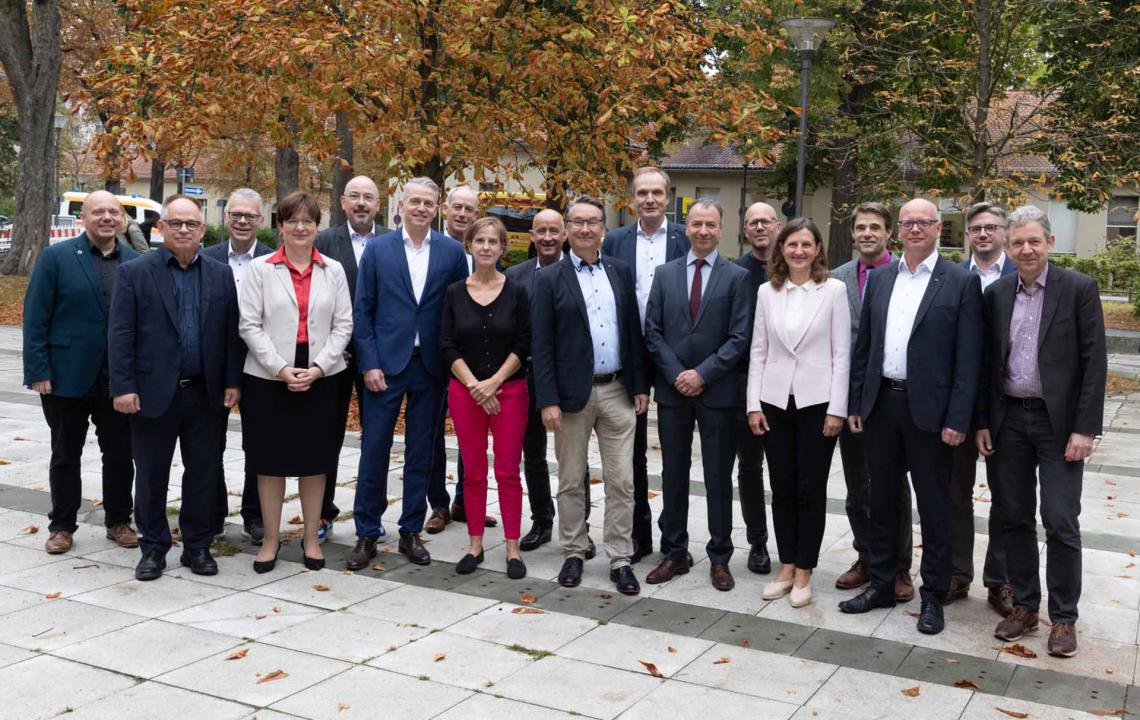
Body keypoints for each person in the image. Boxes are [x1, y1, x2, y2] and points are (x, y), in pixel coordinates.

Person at [839, 198, 981, 636]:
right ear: (897, 230)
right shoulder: (881, 279)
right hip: (882, 406)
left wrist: (958, 418)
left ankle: (933, 594)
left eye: (924, 222)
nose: (915, 229)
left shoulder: (960, 281)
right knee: (881, 501)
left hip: (932, 414)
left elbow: (968, 358)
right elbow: (865, 347)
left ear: (939, 228)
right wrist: (857, 403)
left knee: (934, 506)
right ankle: (883, 582)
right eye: (908, 223)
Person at [977, 205, 1106, 658]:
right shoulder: (997, 294)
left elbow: (1094, 362)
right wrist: (983, 421)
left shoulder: (1078, 289)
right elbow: (986, 365)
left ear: (1050, 242)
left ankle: (1064, 618)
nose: (1026, 249)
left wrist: (1085, 429)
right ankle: (1026, 606)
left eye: (1034, 240)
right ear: (1007, 246)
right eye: (1018, 242)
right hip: (1009, 421)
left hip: (1059, 426)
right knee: (1013, 517)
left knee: (1060, 519)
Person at [108, 194, 243, 581]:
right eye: (176, 223)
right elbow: (120, 334)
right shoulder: (135, 273)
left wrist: (232, 381)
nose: (184, 230)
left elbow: (230, 333)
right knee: (152, 474)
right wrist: (123, 387)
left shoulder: (220, 274)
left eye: (192, 224)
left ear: (202, 230)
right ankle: (153, 547)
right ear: (160, 227)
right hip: (152, 393)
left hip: (205, 394)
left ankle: (198, 546)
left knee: (203, 472)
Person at [532, 196, 650, 595]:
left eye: (593, 222)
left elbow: (632, 333)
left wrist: (639, 385)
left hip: (618, 391)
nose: (585, 229)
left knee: (622, 481)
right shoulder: (550, 278)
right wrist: (547, 399)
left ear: (603, 228)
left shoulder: (620, 271)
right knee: (570, 480)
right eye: (577, 222)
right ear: (567, 229)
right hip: (570, 397)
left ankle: (620, 558)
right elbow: (541, 345)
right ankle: (574, 551)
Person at [349, 177, 468, 569]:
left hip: (430, 367)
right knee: (374, 450)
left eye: (428, 203)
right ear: (401, 205)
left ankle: (410, 531)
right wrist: (369, 363)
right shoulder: (378, 249)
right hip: (384, 367)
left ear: (437, 209)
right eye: (415, 201)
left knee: (421, 452)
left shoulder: (451, 252)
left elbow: (456, 311)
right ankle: (367, 532)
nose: (421, 208)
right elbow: (362, 310)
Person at [238, 191, 353, 573]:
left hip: (322, 378)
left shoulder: (333, 270)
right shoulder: (260, 269)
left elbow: (344, 325)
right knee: (269, 463)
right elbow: (248, 325)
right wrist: (280, 369)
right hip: (269, 379)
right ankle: (271, 540)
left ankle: (310, 539)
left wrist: (319, 367)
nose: (300, 227)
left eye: (308, 221)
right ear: (280, 226)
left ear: (317, 227)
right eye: (293, 221)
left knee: (314, 462)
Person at [23, 190, 140, 555]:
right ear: (83, 218)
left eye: (113, 212)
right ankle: (61, 526)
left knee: (120, 454)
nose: (107, 218)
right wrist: (38, 369)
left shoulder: (137, 262)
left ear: (122, 218)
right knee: (64, 454)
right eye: (98, 212)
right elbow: (36, 315)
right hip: (65, 376)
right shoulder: (56, 257)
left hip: (117, 379)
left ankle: (119, 520)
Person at [643, 200, 751, 591]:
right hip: (673, 392)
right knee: (673, 473)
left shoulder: (737, 278)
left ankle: (720, 557)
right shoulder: (664, 274)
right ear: (685, 227)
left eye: (711, 224)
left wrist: (702, 374)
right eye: (696, 224)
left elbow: (740, 336)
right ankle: (674, 552)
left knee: (718, 475)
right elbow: (652, 330)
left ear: (721, 229)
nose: (703, 231)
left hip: (717, 392)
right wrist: (678, 375)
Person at [747, 218, 850, 607]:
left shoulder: (833, 291)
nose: (799, 251)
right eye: (792, 244)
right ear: (781, 249)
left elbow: (842, 354)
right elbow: (759, 351)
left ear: (818, 249)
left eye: (807, 244)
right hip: (774, 402)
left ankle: (805, 569)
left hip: (817, 404)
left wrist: (837, 409)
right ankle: (786, 565)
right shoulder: (767, 292)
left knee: (810, 488)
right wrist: (753, 404)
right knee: (782, 488)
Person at [602, 167, 688, 562]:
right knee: (631, 451)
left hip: (673, 354)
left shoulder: (686, 239)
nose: (649, 199)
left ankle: (673, 535)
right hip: (630, 354)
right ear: (633, 198)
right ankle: (638, 533)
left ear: (668, 197)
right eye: (642, 193)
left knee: (674, 451)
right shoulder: (615, 241)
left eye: (656, 192)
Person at [831, 202, 914, 601]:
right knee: (856, 485)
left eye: (875, 227)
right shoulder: (837, 279)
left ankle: (899, 566)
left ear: (888, 233)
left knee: (894, 485)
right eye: (861, 227)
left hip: (892, 397)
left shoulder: (905, 275)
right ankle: (866, 556)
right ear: (853, 233)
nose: (867, 233)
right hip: (851, 397)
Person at [440, 217, 530, 578]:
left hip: (511, 391)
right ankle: (475, 544)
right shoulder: (453, 293)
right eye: (480, 241)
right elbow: (446, 343)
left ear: (503, 248)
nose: (487, 247)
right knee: (474, 470)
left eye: (494, 241)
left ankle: (512, 548)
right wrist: (476, 387)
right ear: (469, 246)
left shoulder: (517, 291)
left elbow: (524, 342)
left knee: (508, 471)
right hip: (465, 393)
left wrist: (494, 382)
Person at [505, 209, 594, 556]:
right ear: (531, 235)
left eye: (553, 231)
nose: (547, 238)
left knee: (575, 456)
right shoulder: (516, 276)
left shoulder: (581, 272)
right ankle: (542, 519)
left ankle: (580, 526)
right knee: (533, 453)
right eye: (540, 231)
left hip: (568, 377)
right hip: (526, 374)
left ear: (565, 234)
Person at [948, 201, 1017, 613]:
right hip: (959, 404)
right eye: (975, 228)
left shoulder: (1020, 275)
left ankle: (999, 581)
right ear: (967, 234)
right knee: (955, 493)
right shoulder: (953, 277)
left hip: (1006, 407)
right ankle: (957, 573)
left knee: (1005, 497)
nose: (983, 234)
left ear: (1004, 232)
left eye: (991, 227)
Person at [201, 188, 273, 544]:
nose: (243, 221)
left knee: (258, 444)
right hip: (214, 363)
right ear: (225, 217)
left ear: (261, 220)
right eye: (236, 214)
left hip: (261, 363)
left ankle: (255, 515)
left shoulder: (274, 260)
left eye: (250, 216)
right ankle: (213, 512)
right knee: (209, 442)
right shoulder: (205, 258)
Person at [315, 175, 383, 544]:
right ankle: (322, 512)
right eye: (354, 196)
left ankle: (371, 514)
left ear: (378, 204)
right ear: (342, 203)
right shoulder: (324, 241)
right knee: (327, 435)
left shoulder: (392, 241)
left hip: (376, 357)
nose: (361, 203)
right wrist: (328, 343)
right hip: (333, 357)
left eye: (368, 197)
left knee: (376, 439)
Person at [426, 184, 496, 533]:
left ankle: (466, 502)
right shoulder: (431, 249)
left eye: (470, 209)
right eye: (457, 207)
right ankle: (438, 504)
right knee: (433, 434)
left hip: (477, 362)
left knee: (474, 436)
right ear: (445, 209)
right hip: (438, 357)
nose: (463, 214)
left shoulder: (485, 251)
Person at [732, 201, 780, 575]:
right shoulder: (734, 273)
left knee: (786, 470)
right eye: (753, 222)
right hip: (743, 385)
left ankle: (791, 545)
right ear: (745, 230)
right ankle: (757, 542)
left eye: (766, 221)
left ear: (777, 226)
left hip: (787, 388)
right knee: (750, 468)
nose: (760, 227)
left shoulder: (795, 269)